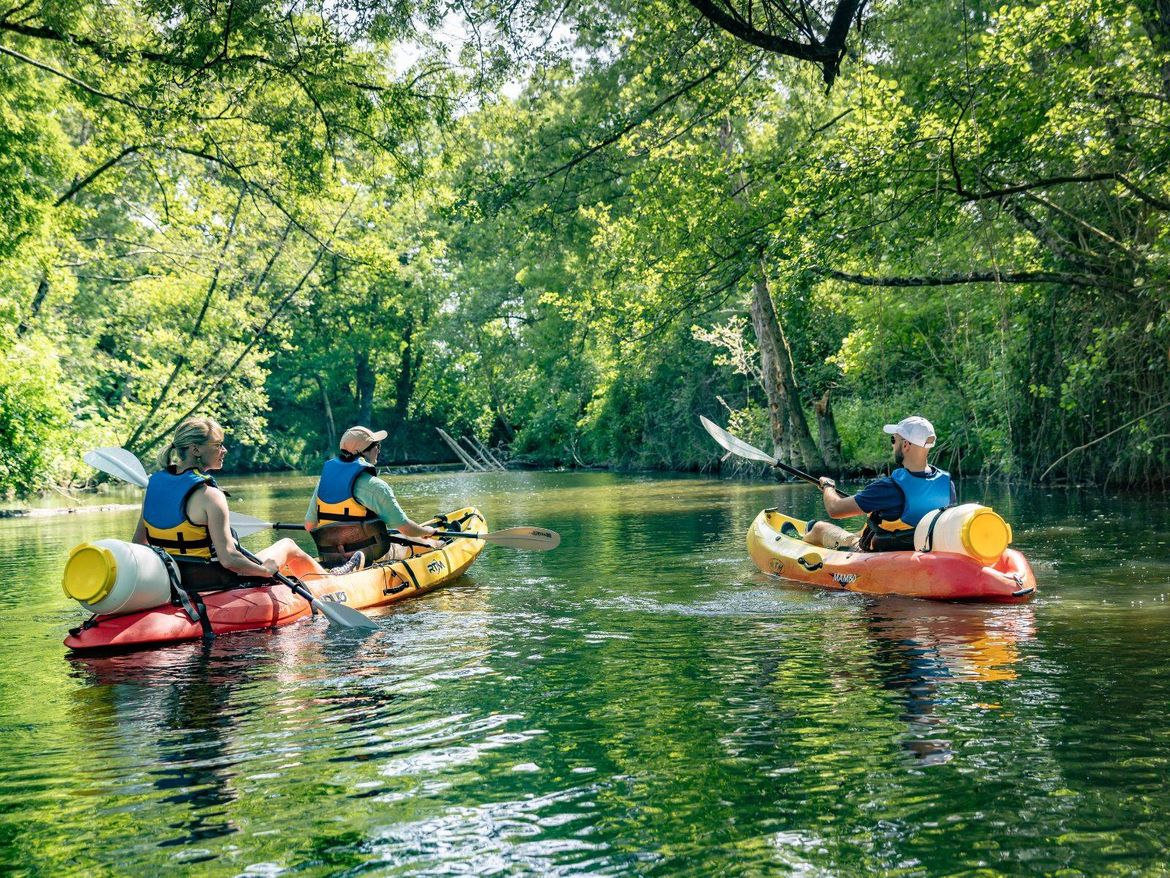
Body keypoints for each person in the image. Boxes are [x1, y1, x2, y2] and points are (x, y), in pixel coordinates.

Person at [133, 417, 358, 597]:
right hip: (213, 581)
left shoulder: (154, 486)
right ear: (195, 449)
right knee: (288, 545)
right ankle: (333, 587)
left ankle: (324, 579)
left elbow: (138, 545)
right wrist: (264, 570)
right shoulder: (210, 496)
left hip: (173, 580)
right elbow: (229, 560)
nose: (224, 450)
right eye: (218, 444)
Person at [803, 415, 957, 552]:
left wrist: (828, 487)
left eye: (893, 440)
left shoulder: (888, 487)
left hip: (877, 555)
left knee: (818, 528)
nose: (892, 445)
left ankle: (800, 539)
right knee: (860, 531)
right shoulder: (947, 484)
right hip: (922, 550)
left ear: (906, 445)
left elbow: (835, 509)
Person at [305, 426, 442, 567]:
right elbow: (405, 527)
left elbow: (309, 525)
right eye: (376, 445)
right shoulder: (376, 487)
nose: (378, 449)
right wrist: (428, 531)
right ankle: (440, 545)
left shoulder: (322, 485)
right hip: (371, 557)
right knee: (422, 541)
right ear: (363, 451)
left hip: (332, 558)